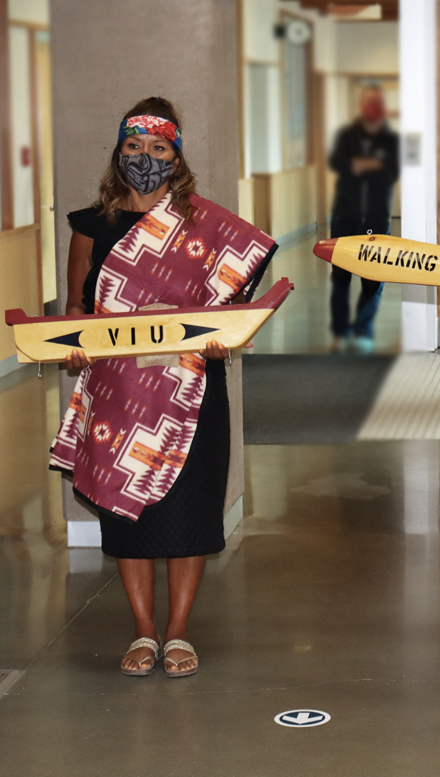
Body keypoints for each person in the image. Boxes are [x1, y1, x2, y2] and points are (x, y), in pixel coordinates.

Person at [54, 97, 276, 678]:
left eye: (158, 148)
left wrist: (224, 339)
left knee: (187, 511)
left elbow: (235, 309)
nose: (145, 158)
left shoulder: (205, 228)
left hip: (188, 391)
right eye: (134, 146)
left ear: (176, 156)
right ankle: (143, 632)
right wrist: (73, 350)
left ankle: (178, 632)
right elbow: (76, 311)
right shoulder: (90, 228)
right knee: (130, 522)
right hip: (117, 397)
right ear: (118, 151)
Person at [327, 84, 399, 354]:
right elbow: (338, 163)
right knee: (340, 277)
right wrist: (369, 165)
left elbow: (390, 170)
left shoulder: (390, 139)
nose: (373, 108)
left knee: (372, 276)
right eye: (369, 103)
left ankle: (363, 329)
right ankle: (341, 330)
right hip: (344, 214)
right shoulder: (346, 135)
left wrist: (362, 165)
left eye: (378, 103)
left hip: (376, 216)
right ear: (361, 106)